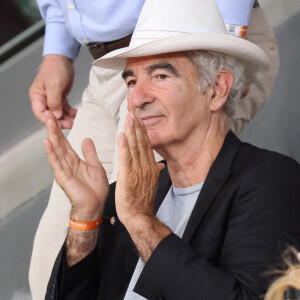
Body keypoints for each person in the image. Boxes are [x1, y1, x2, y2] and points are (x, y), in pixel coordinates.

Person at [43, 0, 299, 299]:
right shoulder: (123, 198)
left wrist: (141, 222)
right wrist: (85, 220)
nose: (137, 98)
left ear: (216, 89)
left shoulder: (270, 181)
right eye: (131, 81)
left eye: (161, 76)